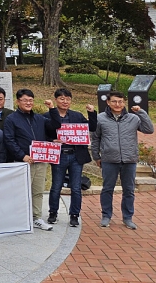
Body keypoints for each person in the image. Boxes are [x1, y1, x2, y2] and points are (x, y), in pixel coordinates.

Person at [92, 91, 154, 230]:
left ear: (124, 103)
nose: (117, 104)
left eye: (120, 101)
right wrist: (96, 156)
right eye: (114, 101)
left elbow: (149, 129)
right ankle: (106, 215)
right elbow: (95, 138)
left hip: (129, 160)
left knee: (129, 190)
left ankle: (127, 217)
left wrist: (141, 112)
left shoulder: (133, 118)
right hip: (109, 159)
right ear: (108, 102)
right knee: (107, 189)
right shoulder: (100, 118)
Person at [4, 89, 61, 231]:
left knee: (38, 191)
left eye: (31, 100)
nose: (28, 103)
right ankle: (19, 218)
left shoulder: (39, 118)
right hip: (23, 162)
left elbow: (56, 125)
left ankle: (36, 218)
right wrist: (22, 156)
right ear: (18, 102)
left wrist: (52, 109)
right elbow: (9, 140)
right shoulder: (11, 119)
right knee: (22, 191)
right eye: (25, 100)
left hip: (41, 161)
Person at [43, 88, 94, 227]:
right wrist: (51, 141)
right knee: (56, 186)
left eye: (68, 99)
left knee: (76, 187)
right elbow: (43, 134)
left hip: (76, 155)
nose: (65, 102)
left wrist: (91, 113)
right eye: (62, 99)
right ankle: (53, 212)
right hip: (59, 155)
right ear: (56, 100)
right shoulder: (47, 116)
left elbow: (92, 127)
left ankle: (74, 215)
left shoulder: (77, 116)